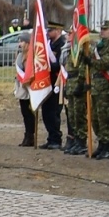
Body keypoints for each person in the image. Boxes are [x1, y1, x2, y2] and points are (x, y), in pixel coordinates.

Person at [88, 20, 109, 160]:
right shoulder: (99, 46)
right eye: (101, 29)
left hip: (106, 87)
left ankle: (107, 145)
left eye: (105, 29)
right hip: (96, 86)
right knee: (95, 118)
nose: (102, 31)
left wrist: (91, 61)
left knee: (105, 118)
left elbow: (106, 63)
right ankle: (101, 143)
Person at [40, 20, 66, 148]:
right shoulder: (49, 44)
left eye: (51, 30)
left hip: (57, 83)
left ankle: (56, 138)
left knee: (53, 112)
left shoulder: (62, 45)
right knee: (46, 112)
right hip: (47, 82)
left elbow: (60, 65)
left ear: (58, 31)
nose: (48, 33)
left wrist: (47, 66)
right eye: (48, 30)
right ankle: (51, 137)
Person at [62, 34, 90, 155]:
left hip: (78, 85)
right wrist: (66, 87)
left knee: (79, 115)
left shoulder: (81, 51)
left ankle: (82, 142)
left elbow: (83, 68)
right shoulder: (70, 51)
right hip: (71, 85)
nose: (68, 37)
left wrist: (81, 83)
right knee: (72, 115)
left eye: (71, 35)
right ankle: (77, 140)